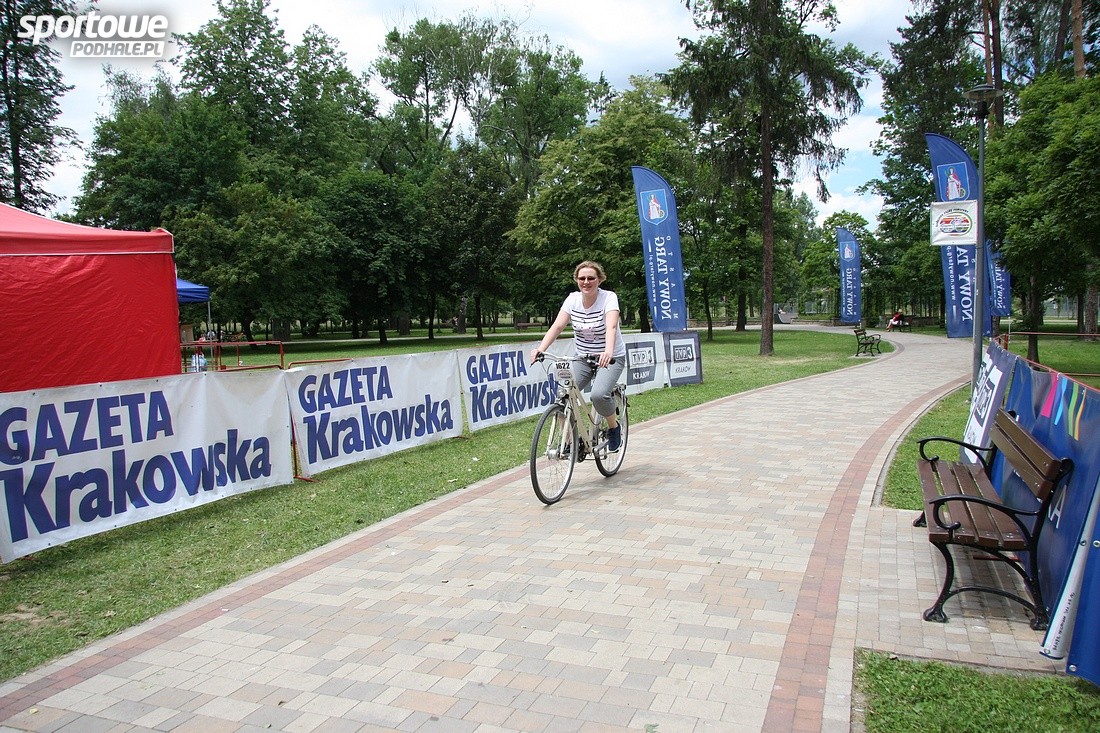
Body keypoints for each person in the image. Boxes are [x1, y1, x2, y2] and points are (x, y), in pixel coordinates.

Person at [530, 261, 627, 452]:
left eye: (591, 278)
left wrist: (607, 351)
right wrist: (540, 349)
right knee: (562, 396)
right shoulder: (572, 300)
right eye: (582, 278)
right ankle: (568, 443)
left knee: (598, 395)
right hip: (582, 357)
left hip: (610, 357)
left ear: (599, 280)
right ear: (576, 280)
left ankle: (613, 428)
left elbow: (611, 327)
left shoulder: (609, 298)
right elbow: (557, 326)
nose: (586, 282)